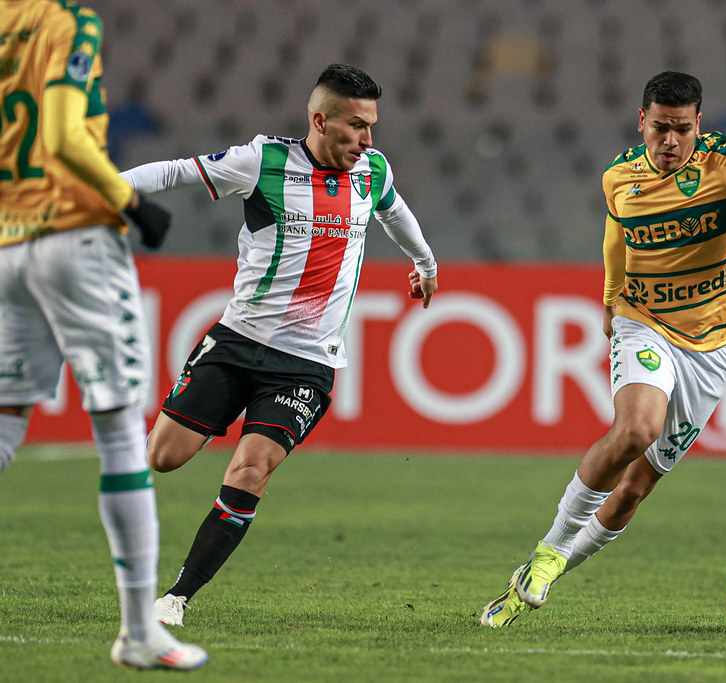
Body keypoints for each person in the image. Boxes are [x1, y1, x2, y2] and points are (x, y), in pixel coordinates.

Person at [480, 71, 726, 627]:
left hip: (715, 345)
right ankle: (549, 550)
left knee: (634, 490)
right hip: (644, 321)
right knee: (636, 429)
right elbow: (615, 237)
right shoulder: (620, 176)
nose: (670, 142)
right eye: (660, 129)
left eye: (682, 130)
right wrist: (609, 298)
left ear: (699, 125)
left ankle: (537, 574)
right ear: (641, 121)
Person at [118, 63, 439, 628]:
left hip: (307, 364)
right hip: (237, 342)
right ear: (320, 120)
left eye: (372, 127)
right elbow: (173, 172)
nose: (367, 140)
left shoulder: (372, 169)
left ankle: (176, 598)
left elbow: (394, 210)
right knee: (162, 457)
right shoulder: (262, 161)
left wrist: (425, 262)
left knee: (249, 469)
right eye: (357, 126)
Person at [0, 0, 208, 669]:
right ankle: (138, 629)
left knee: (5, 419)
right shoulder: (68, 22)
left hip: (8, 237)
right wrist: (133, 204)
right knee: (120, 427)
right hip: (74, 236)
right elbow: (62, 134)